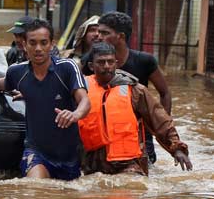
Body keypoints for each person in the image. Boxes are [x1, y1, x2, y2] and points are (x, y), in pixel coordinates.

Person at [0, 19, 90, 181]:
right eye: (32, 43)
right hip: (36, 153)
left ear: (52, 45)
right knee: (35, 189)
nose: (38, 48)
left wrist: (75, 114)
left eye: (43, 43)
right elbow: (1, 84)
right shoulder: (17, 72)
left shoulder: (67, 67)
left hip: (69, 156)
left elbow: (85, 101)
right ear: (24, 45)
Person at [78, 42, 192, 176]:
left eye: (110, 62)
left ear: (116, 64)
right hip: (91, 163)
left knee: (131, 185)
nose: (107, 66)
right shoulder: (80, 89)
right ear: (91, 66)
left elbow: (159, 120)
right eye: (101, 62)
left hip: (128, 162)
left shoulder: (135, 90)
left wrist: (176, 148)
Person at [96, 11, 172, 164]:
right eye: (99, 32)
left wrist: (161, 127)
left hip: (141, 134)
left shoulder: (144, 61)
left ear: (121, 36)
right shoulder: (92, 62)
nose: (99, 36)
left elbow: (165, 93)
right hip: (105, 134)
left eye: (105, 33)